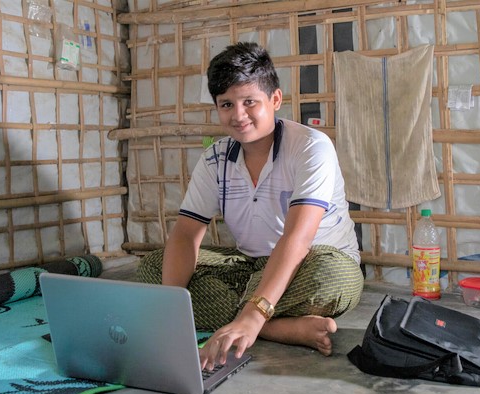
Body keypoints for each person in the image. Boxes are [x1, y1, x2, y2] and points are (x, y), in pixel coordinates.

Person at [137, 42, 364, 371]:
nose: (238, 115)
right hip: (249, 265)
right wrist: (169, 309)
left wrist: (254, 314)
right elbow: (186, 234)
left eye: (249, 102)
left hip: (312, 261)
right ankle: (278, 328)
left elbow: (298, 240)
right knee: (154, 268)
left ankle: (251, 320)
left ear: (275, 99)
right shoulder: (215, 159)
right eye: (227, 104)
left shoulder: (311, 148)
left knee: (337, 278)